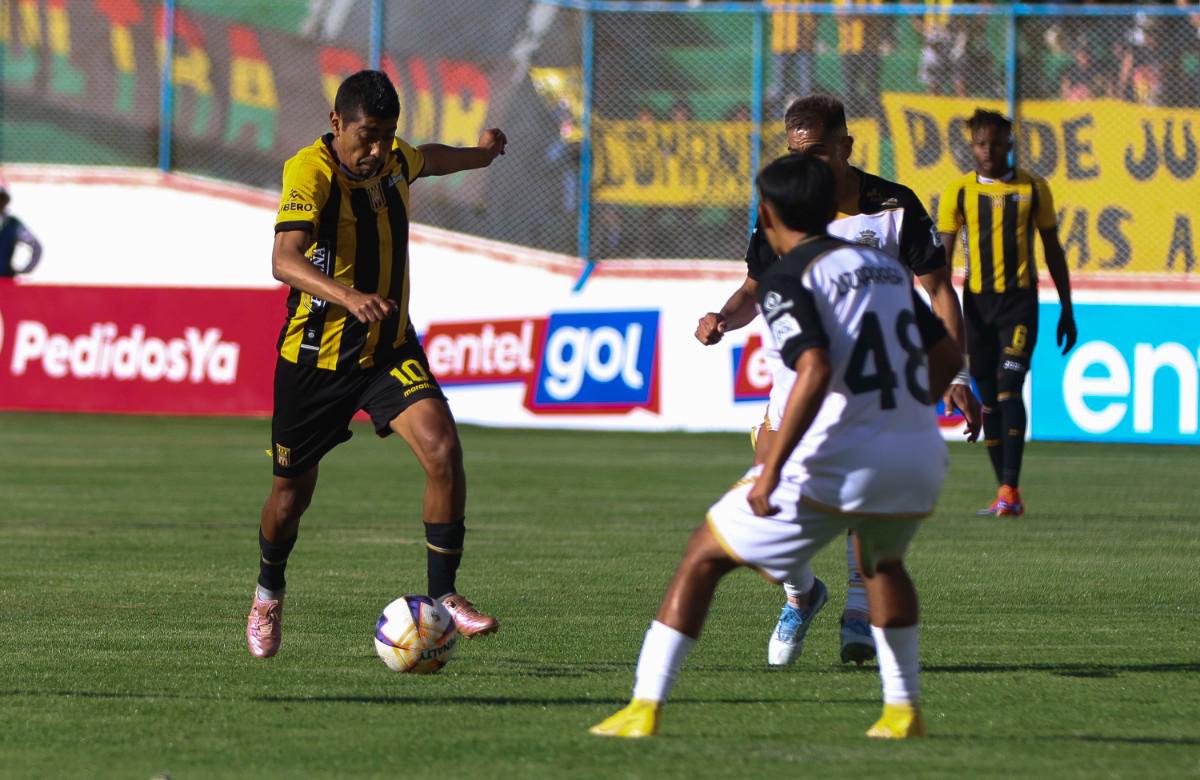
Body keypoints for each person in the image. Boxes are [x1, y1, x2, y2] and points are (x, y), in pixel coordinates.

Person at [591, 154, 962, 740]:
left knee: (703, 556)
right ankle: (902, 710)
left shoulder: (792, 277)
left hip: (836, 457)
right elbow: (946, 353)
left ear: (767, 215)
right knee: (884, 563)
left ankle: (643, 709)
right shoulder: (881, 267)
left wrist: (772, 472)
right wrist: (916, 411)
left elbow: (812, 368)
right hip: (915, 455)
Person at [695, 95, 979, 668]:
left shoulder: (894, 205)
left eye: (820, 152)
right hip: (794, 374)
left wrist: (957, 371)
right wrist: (724, 317)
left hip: (870, 381)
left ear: (847, 146)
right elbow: (755, 285)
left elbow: (939, 291)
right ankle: (802, 593)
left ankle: (856, 605)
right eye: (799, 153)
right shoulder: (783, 205)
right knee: (769, 504)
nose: (810, 164)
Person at [246, 70, 508, 659]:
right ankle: (268, 591)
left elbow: (429, 160)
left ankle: (443, 598)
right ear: (337, 124)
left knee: (443, 449)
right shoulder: (308, 172)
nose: (377, 149)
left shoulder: (392, 161)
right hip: (314, 360)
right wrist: (348, 295)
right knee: (290, 498)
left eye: (387, 136)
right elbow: (283, 259)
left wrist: (483, 155)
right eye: (366, 135)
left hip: (387, 348)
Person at [937, 109, 1076, 518]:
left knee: (1008, 385)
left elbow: (1053, 249)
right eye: (982, 143)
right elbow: (941, 261)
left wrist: (1067, 308)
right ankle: (1004, 492)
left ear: (1009, 145)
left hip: (1019, 303)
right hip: (975, 306)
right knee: (988, 398)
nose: (989, 151)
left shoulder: (1033, 188)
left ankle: (1010, 489)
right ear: (972, 146)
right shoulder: (958, 193)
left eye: (996, 143)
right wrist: (939, 314)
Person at [0, 186, 43, 278]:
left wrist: (25, 270)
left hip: (5, 282)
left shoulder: (14, 224)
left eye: (1, 199)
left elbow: (37, 247)